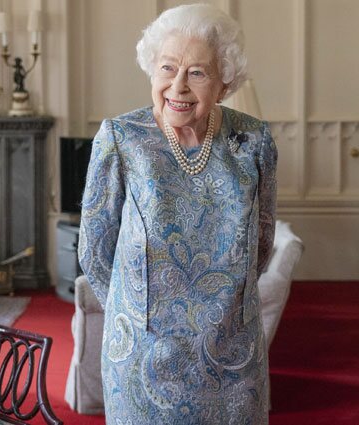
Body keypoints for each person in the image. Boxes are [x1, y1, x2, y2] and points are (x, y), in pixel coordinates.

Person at [78, 4, 276, 424]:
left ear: (224, 83)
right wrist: (135, 312)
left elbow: (261, 242)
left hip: (232, 354)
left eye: (198, 73)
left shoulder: (253, 140)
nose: (178, 86)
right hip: (143, 354)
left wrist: (225, 309)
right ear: (152, 71)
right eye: (168, 68)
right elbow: (95, 251)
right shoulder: (120, 138)